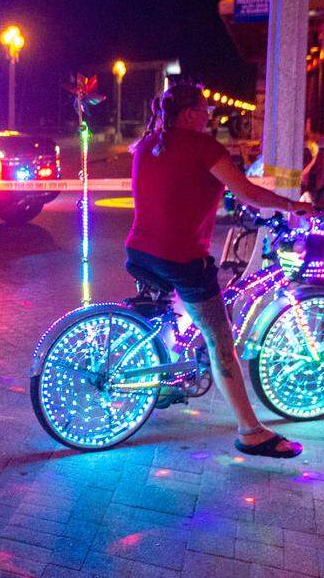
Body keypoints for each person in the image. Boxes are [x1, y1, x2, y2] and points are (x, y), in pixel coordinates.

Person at [126, 82, 313, 459]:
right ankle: (250, 431)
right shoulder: (204, 147)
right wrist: (295, 207)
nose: (209, 114)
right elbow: (247, 192)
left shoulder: (146, 145)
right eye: (204, 108)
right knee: (220, 341)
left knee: (176, 314)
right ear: (189, 113)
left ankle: (164, 379)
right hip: (180, 257)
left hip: (140, 249)